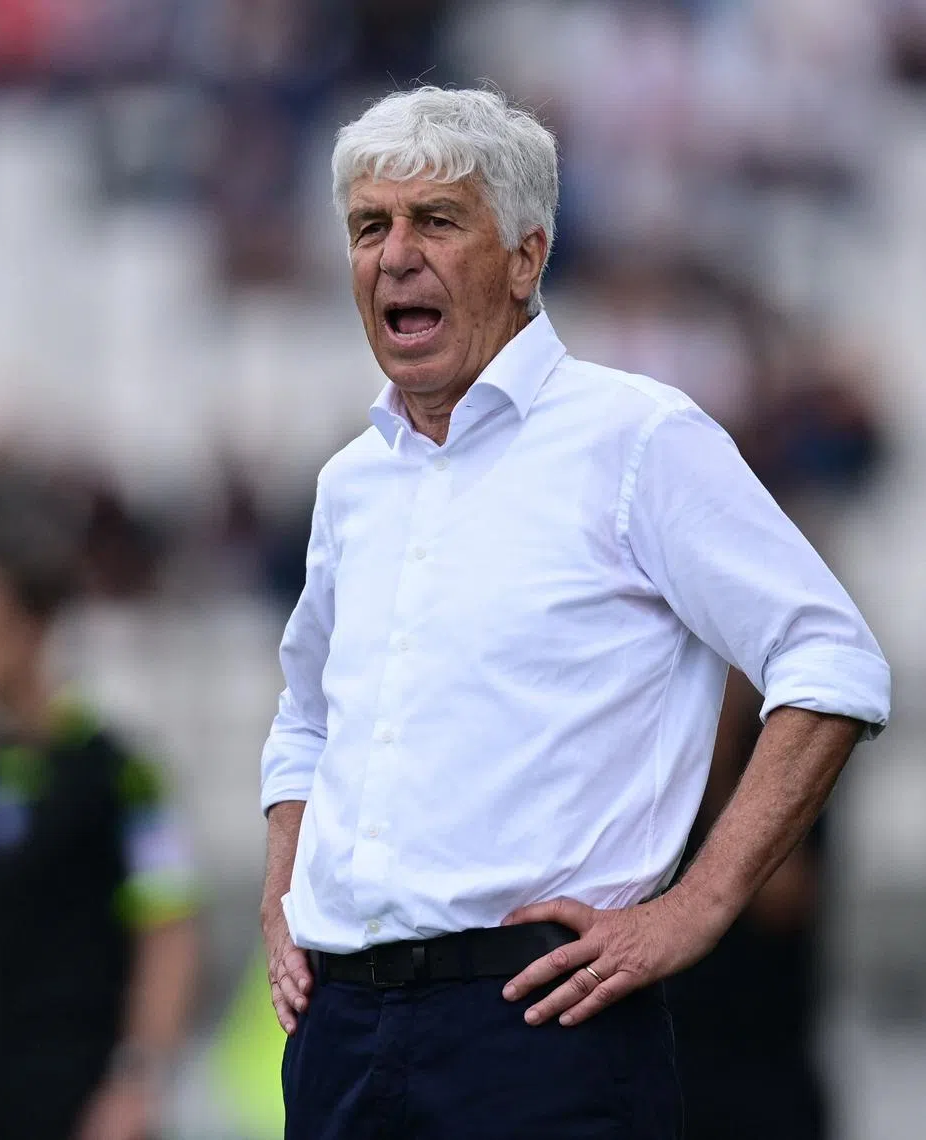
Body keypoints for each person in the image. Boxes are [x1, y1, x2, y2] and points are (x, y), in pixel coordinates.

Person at [258, 86, 891, 1140]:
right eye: (370, 226)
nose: (395, 255)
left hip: (543, 1021)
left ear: (527, 256)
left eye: (436, 220)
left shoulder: (636, 438)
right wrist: (282, 897)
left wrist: (694, 908)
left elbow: (833, 662)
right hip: (341, 1034)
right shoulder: (350, 483)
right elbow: (305, 720)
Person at [0, 534, 200, 1140]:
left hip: (98, 1097)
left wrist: (138, 1082)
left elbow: (171, 929)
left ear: (33, 626)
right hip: (5, 1096)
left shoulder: (119, 771)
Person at [666, 671, 830, 1140]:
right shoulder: (658, 780)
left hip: (763, 1059)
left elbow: (786, 901)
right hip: (672, 1051)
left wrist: (720, 775)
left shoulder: (787, 769)